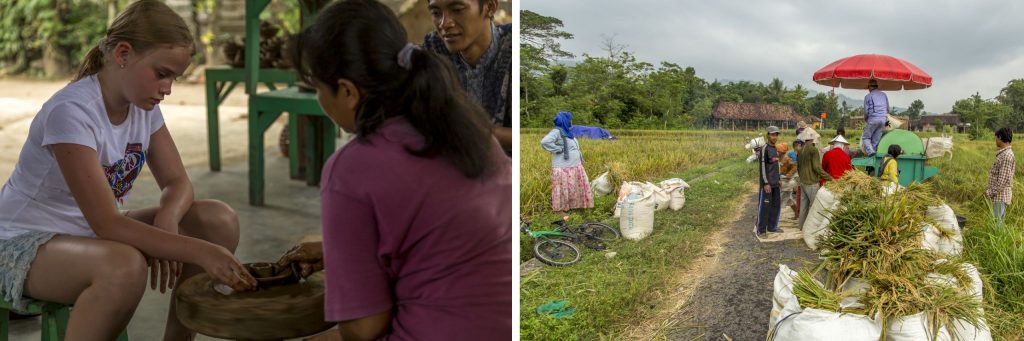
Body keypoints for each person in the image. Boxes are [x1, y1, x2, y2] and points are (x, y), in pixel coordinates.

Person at [0, 2, 257, 339]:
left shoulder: (142, 107)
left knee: (216, 221)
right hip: (22, 241)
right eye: (162, 74)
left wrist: (169, 217)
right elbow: (106, 222)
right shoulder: (71, 111)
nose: (168, 88)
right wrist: (199, 251)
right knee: (123, 267)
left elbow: (178, 182)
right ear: (123, 54)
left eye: (174, 78)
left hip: (86, 236)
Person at [284, 0, 512, 339]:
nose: (446, 22)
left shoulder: (350, 170)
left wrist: (350, 270)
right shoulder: (471, 133)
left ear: (347, 91)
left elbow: (363, 328)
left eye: (317, 87)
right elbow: (445, 240)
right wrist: (342, 254)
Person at [422, 0, 512, 155]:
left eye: (457, 10)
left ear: (490, 7)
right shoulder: (433, 50)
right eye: (436, 13)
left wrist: (470, 131)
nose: (444, 23)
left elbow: (531, 136)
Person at [541, 111, 594, 212]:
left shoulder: (567, 132)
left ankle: (574, 208)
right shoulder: (557, 131)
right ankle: (561, 211)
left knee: (573, 188)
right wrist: (558, 149)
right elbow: (544, 141)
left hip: (574, 166)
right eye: (569, 119)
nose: (571, 121)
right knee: (563, 189)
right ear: (565, 121)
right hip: (564, 168)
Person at [797, 135, 833, 229]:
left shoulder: (801, 150)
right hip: (811, 183)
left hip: (803, 182)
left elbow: (798, 166)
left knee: (803, 206)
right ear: (813, 139)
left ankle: (801, 226)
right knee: (814, 207)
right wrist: (829, 178)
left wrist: (801, 178)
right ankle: (810, 228)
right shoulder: (813, 150)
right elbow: (817, 167)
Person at [756, 126, 783, 237]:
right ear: (768, 135)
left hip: (776, 183)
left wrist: (779, 178)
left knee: (776, 205)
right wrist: (766, 183)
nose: (775, 137)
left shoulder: (775, 149)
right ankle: (761, 230)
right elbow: (762, 167)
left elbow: (777, 165)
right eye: (772, 135)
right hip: (767, 184)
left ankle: (772, 226)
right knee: (765, 206)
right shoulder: (765, 149)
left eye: (776, 135)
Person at [985, 127, 1015, 225]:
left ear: (1000, 137)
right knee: (998, 222)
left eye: (996, 138)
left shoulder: (1006, 156)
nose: (996, 141)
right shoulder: (1004, 154)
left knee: (996, 223)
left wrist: (989, 192)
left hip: (1000, 196)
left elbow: (1002, 181)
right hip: (998, 196)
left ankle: (995, 240)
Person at [861, 79, 889, 156]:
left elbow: (866, 111)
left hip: (873, 119)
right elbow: (888, 109)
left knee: (866, 138)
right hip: (883, 120)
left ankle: (871, 152)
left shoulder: (868, 96)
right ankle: (872, 159)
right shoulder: (883, 95)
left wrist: (866, 120)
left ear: (870, 87)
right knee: (875, 141)